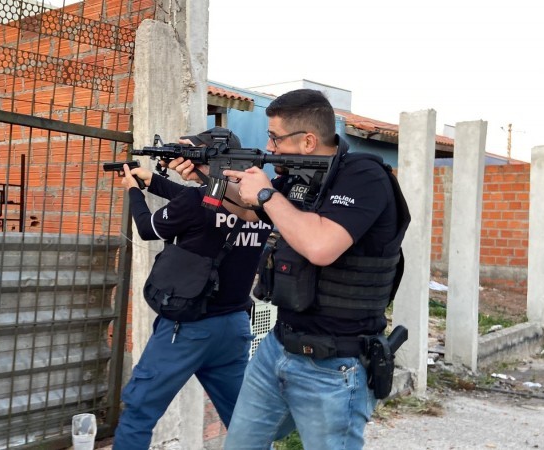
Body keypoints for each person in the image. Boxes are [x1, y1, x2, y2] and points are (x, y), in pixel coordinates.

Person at [176, 90, 409, 449]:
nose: (270, 145)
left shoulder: (364, 176)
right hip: (277, 349)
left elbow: (319, 246)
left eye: (275, 137)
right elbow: (251, 209)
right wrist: (207, 175)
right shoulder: (299, 178)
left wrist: (268, 194)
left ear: (308, 141)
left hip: (335, 366)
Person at [112, 127, 272, 449]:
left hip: (187, 330)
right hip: (234, 327)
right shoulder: (265, 205)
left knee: (139, 410)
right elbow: (207, 202)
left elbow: (147, 228)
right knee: (244, 420)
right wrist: (154, 180)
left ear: (206, 160)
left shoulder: (195, 200)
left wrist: (133, 190)